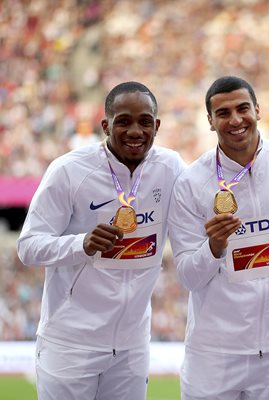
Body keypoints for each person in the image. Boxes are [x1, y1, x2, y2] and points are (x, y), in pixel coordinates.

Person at [16, 82, 186, 400]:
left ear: (157, 125)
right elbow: (28, 246)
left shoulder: (171, 168)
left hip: (131, 346)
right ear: (105, 125)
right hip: (70, 342)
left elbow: (207, 190)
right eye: (123, 121)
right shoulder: (68, 171)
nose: (135, 130)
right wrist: (81, 243)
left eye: (144, 121)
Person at [167, 76, 269, 399]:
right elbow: (189, 277)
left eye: (242, 108)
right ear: (209, 121)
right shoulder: (191, 183)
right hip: (214, 351)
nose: (235, 120)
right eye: (223, 113)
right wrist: (214, 248)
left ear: (258, 110)